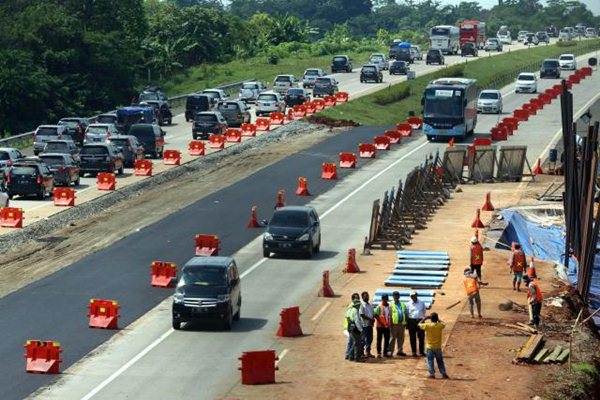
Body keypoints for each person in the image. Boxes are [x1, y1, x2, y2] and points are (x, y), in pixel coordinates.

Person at [419, 313, 449, 379]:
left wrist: (425, 318)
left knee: (430, 361)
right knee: (440, 361)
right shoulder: (439, 325)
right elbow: (444, 323)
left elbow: (419, 324)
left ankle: (432, 374)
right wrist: (438, 319)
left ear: (431, 319)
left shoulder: (427, 325)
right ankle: (443, 373)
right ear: (436, 318)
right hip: (438, 347)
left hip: (430, 347)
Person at [407, 291, 426, 357]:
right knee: (412, 337)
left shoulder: (421, 303)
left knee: (421, 337)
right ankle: (414, 352)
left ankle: (421, 351)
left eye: (414, 295)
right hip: (411, 321)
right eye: (412, 296)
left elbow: (424, 311)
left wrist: (421, 319)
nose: (413, 297)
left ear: (416, 295)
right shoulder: (408, 304)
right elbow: (407, 313)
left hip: (420, 321)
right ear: (410, 297)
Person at [389, 291, 408, 357]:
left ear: (399, 296)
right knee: (392, 338)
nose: (396, 297)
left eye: (397, 295)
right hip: (394, 324)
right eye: (395, 295)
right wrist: (390, 323)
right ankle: (390, 352)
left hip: (402, 324)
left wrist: (406, 322)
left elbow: (405, 313)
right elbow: (389, 315)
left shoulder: (403, 304)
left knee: (401, 338)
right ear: (393, 296)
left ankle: (400, 351)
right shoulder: (391, 304)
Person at [345, 298, 364, 362]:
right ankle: (356, 357)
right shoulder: (356, 311)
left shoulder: (349, 310)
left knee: (354, 342)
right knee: (357, 343)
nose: (359, 306)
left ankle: (350, 356)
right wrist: (361, 330)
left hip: (350, 327)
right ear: (356, 305)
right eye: (359, 305)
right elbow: (357, 321)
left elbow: (347, 317)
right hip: (355, 329)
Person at [359, 291, 375, 358]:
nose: (367, 297)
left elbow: (372, 313)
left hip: (370, 325)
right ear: (362, 297)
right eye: (365, 296)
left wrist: (373, 319)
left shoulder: (370, 305)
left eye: (367, 296)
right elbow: (362, 314)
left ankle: (368, 352)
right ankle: (362, 353)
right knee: (364, 339)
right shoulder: (362, 305)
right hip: (364, 325)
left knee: (370, 339)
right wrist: (370, 319)